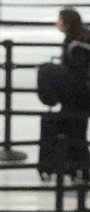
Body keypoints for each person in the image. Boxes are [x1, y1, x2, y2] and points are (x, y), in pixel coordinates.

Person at [37, 10, 90, 182]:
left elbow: (77, 74)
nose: (56, 24)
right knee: (76, 131)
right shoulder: (81, 37)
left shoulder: (77, 45)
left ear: (66, 23)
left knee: (72, 129)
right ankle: (77, 169)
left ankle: (71, 168)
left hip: (78, 97)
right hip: (78, 96)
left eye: (59, 21)